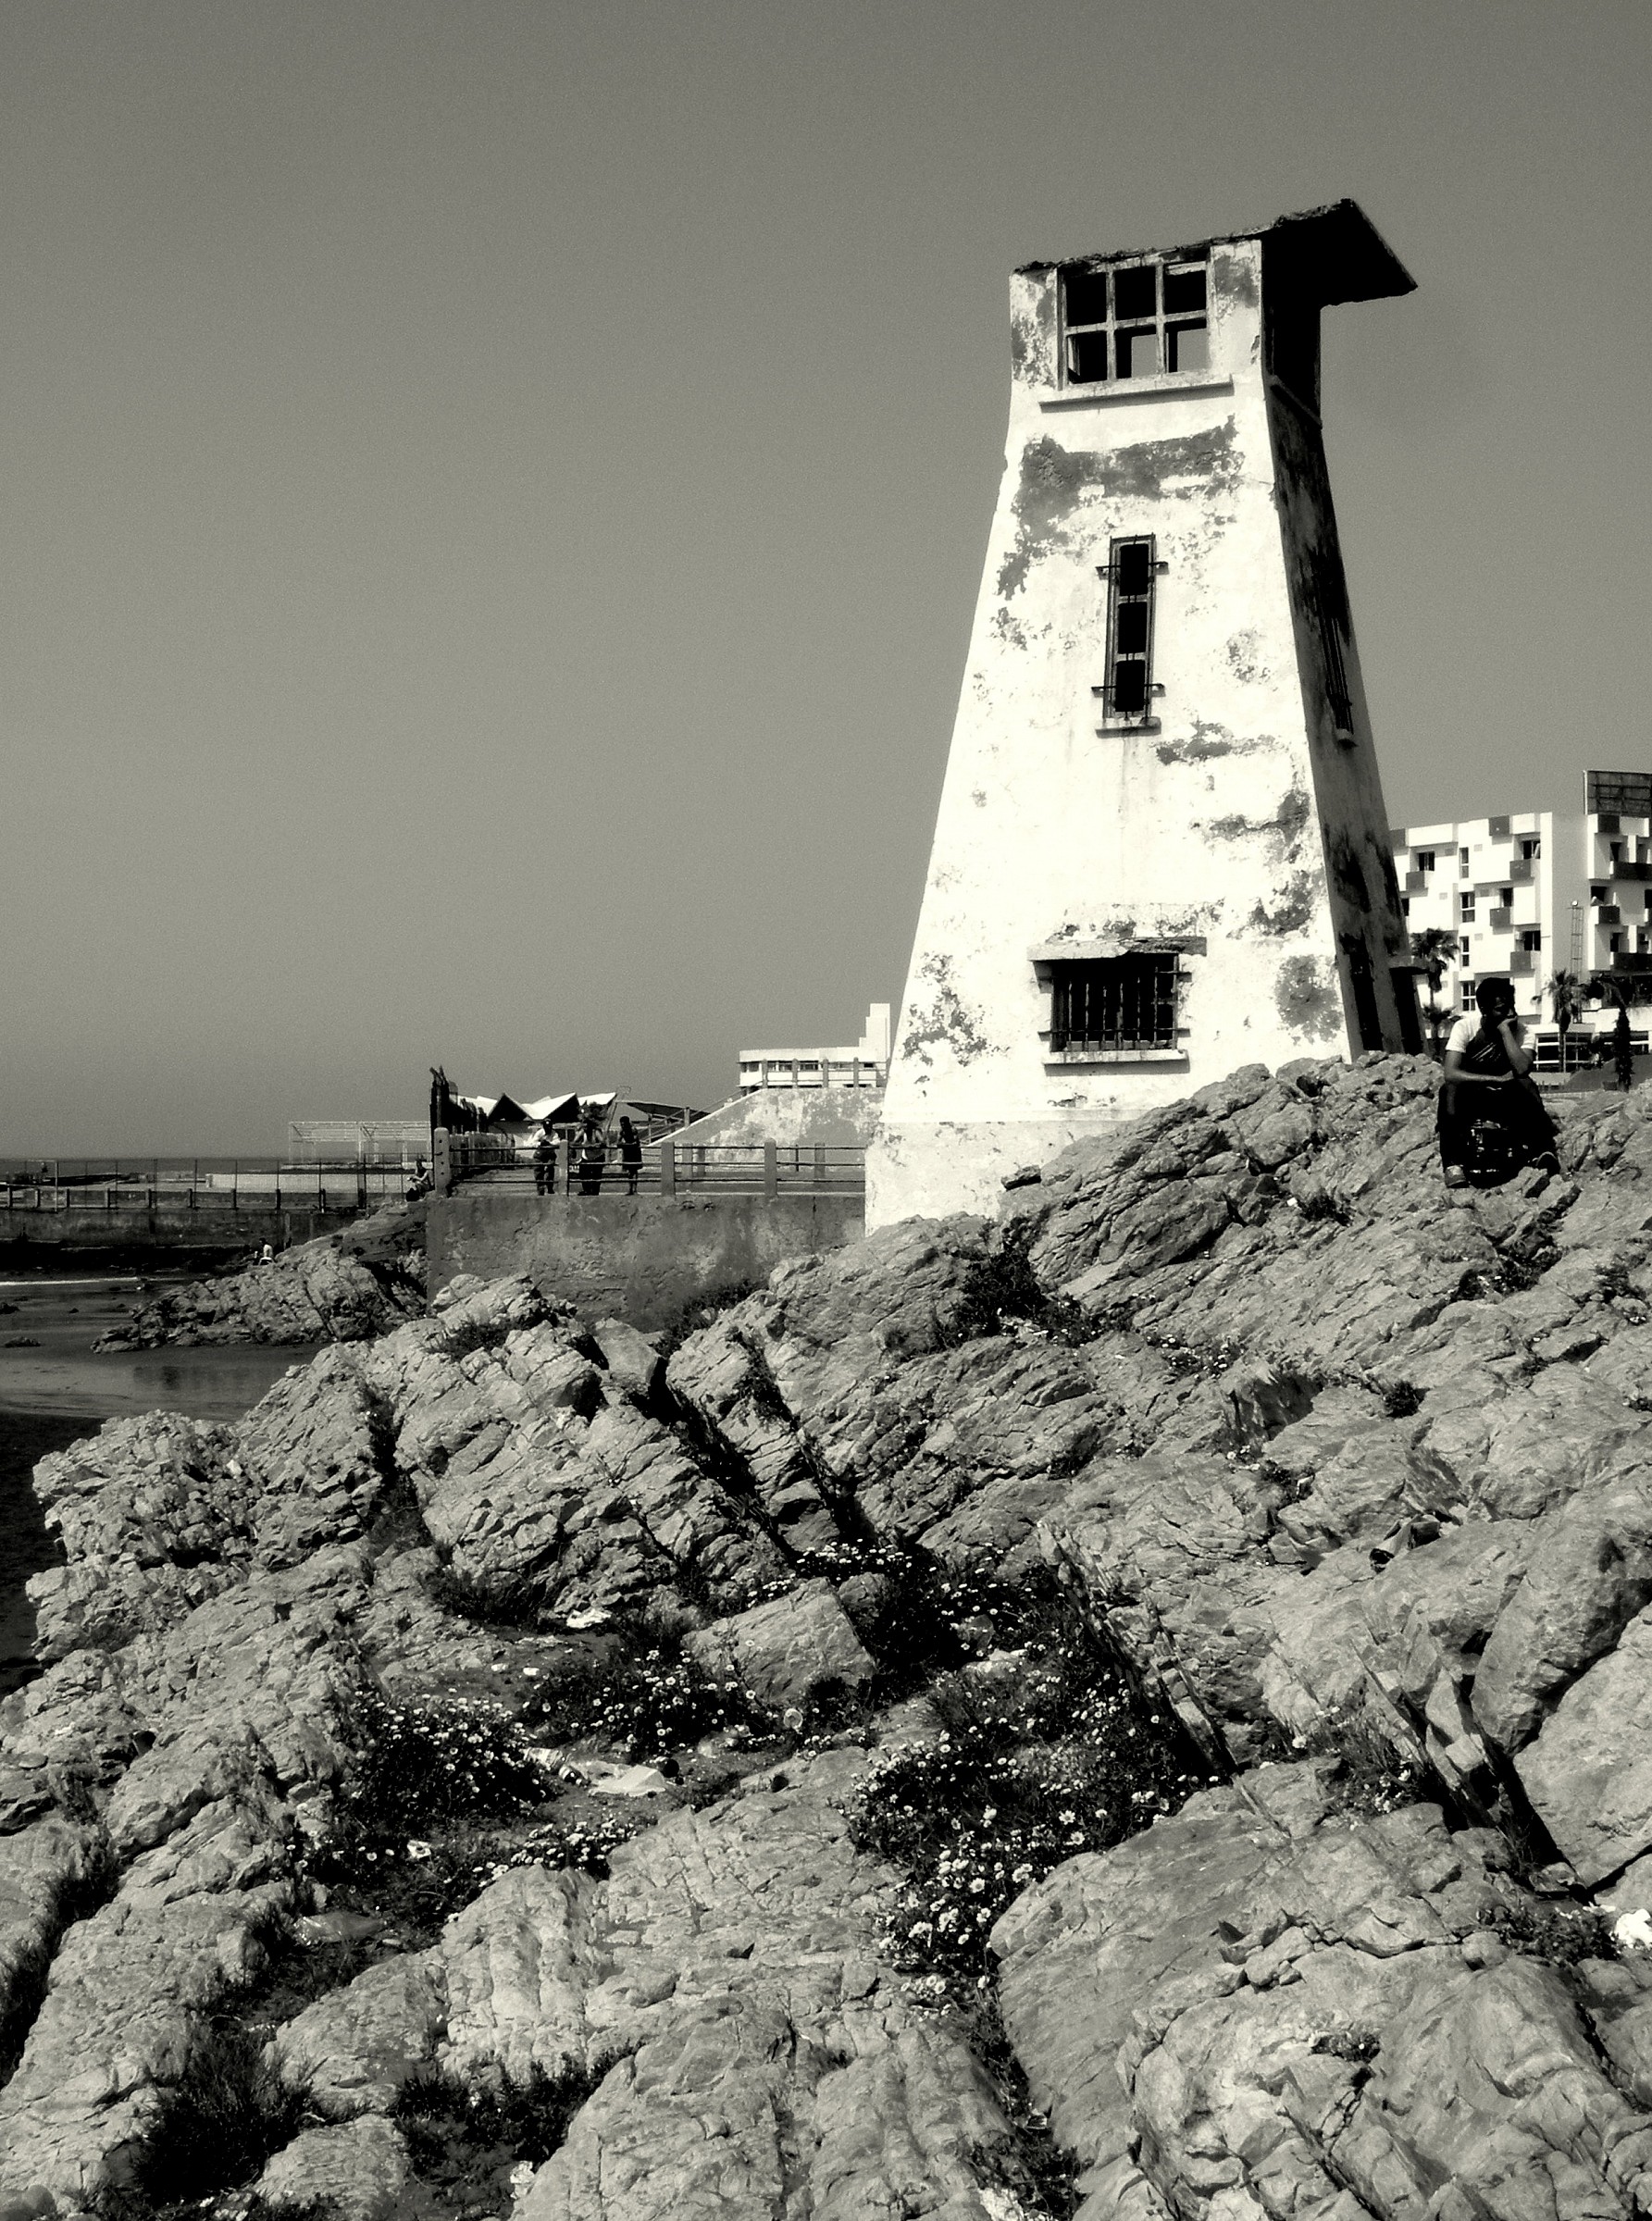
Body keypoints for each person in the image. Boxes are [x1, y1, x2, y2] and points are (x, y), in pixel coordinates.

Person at [1438, 976, 1560, 1189]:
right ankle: (1453, 1163)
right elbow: (1450, 1072)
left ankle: (1542, 1150)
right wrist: (1493, 1079)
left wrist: (1505, 1032)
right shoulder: (1465, 1028)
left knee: (1527, 1085)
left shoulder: (1523, 1032)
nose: (1510, 1014)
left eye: (1512, 1007)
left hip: (1507, 1095)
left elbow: (1522, 1069)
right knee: (1449, 1091)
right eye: (1501, 1010)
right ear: (1484, 1010)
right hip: (1474, 1094)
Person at [578, 1115, 607, 1197]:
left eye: (587, 1127)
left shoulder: (596, 1132)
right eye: (584, 1127)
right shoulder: (582, 1132)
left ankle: (595, 1192)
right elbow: (574, 1142)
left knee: (596, 1175)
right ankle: (586, 1190)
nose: (585, 1129)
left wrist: (594, 1145)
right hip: (586, 1156)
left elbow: (603, 1143)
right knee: (583, 1173)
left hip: (597, 1156)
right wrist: (582, 1145)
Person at [617, 1115, 643, 1196]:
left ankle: (635, 1189)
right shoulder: (622, 1131)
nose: (622, 1125)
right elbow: (618, 1142)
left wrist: (626, 1145)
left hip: (634, 1151)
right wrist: (624, 1144)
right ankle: (630, 1189)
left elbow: (636, 1142)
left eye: (624, 1124)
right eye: (621, 1124)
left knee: (634, 1170)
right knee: (629, 1171)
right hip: (627, 1151)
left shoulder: (633, 1129)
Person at [533, 1131, 555, 1196]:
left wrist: (548, 1165)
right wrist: (540, 1143)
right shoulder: (539, 1133)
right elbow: (532, 1143)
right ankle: (541, 1190)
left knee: (550, 1173)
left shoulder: (554, 1134)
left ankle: (550, 1188)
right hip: (539, 1157)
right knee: (538, 1173)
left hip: (549, 1156)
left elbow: (553, 1158)